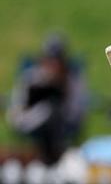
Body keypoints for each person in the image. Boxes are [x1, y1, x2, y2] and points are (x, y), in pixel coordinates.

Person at [6, 33, 89, 165]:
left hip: (63, 125)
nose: (53, 65)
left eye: (57, 61)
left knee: (52, 112)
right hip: (32, 123)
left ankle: (54, 160)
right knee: (48, 111)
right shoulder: (31, 77)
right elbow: (17, 113)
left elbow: (75, 112)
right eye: (50, 60)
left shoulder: (72, 80)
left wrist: (59, 90)